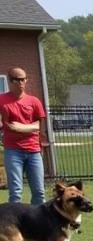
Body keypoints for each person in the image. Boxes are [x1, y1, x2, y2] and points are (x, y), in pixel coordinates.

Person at [1, 67, 47, 205]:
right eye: (16, 79)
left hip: (34, 151)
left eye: (23, 79)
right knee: (15, 192)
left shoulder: (34, 101)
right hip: (13, 151)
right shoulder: (2, 100)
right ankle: (14, 224)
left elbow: (39, 126)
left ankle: (38, 224)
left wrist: (20, 127)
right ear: (10, 81)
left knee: (39, 192)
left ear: (26, 80)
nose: (20, 82)